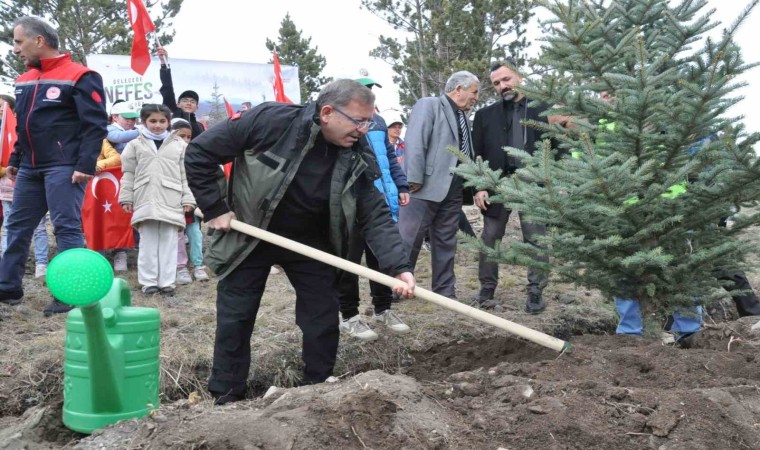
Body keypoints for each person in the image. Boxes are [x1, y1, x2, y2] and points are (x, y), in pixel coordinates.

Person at [184, 79, 416, 404]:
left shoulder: (356, 152)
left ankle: (317, 390)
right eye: (359, 120)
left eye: (369, 121)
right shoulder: (270, 122)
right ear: (327, 112)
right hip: (251, 232)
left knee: (322, 314)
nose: (365, 129)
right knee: (236, 315)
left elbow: (374, 213)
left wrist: (398, 267)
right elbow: (200, 152)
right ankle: (227, 394)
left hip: (312, 241)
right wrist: (215, 207)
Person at [0, 16, 107, 314]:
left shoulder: (81, 76)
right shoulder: (22, 81)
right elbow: (24, 126)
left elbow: (95, 125)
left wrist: (85, 164)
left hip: (65, 166)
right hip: (30, 169)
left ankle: (71, 294)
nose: (15, 49)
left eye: (19, 42)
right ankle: (8, 288)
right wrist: (16, 158)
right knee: (17, 226)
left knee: (66, 228)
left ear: (39, 41)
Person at [471, 62, 554, 314]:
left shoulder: (543, 111)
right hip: (497, 184)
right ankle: (486, 289)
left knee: (535, 239)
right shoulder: (485, 115)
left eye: (506, 79)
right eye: (496, 83)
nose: (502, 86)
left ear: (520, 76)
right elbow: (477, 154)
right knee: (490, 237)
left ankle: (535, 291)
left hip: (533, 183)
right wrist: (480, 186)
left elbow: (557, 148)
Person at [336, 76, 410, 341]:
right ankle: (349, 316)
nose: (368, 95)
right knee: (350, 261)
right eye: (364, 91)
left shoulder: (377, 122)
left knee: (380, 258)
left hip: (379, 198)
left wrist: (400, 185)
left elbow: (389, 156)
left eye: (371, 91)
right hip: (351, 204)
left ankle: (383, 309)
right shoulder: (346, 124)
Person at [398, 71, 479, 299]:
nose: (476, 98)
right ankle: (395, 286)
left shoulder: (463, 116)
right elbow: (415, 140)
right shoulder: (430, 104)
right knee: (409, 237)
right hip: (424, 185)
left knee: (445, 239)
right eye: (474, 92)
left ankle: (444, 291)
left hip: (454, 187)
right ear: (458, 89)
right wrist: (413, 178)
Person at [118, 104, 195, 297]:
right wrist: (126, 196)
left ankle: (167, 282)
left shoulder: (180, 145)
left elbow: (187, 175)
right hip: (146, 198)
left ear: (169, 122)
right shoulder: (134, 145)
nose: (157, 125)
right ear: (143, 122)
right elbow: (128, 173)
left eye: (162, 121)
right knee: (148, 242)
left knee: (169, 243)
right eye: (152, 121)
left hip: (172, 198)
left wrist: (188, 198)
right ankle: (149, 282)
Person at [0, 93, 50, 280]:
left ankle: (42, 263)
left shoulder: (25, 128)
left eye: (2, 106)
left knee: (38, 227)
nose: (0, 110)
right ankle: (8, 266)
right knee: (10, 226)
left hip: (30, 186)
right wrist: (5, 169)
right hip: (5, 188)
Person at [171, 119, 209, 285]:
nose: (185, 140)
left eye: (188, 137)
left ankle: (198, 265)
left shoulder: (194, 155)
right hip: (173, 203)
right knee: (178, 236)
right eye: (181, 136)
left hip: (192, 204)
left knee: (195, 233)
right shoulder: (167, 156)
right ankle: (180, 267)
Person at [156, 47, 205, 138]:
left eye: (192, 101)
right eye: (185, 100)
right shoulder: (172, 118)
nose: (189, 103)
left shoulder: (200, 126)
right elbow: (167, 88)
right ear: (178, 104)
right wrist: (164, 63)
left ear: (197, 107)